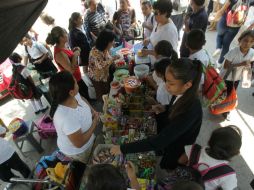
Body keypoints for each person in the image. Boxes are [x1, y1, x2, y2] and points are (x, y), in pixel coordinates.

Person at [111, 58, 203, 172]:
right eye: (166, 80)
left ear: (187, 85)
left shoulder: (190, 109)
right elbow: (175, 105)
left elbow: (159, 142)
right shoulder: (180, 93)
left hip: (178, 146)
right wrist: (165, 108)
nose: (166, 85)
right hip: (172, 136)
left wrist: (122, 149)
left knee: (170, 166)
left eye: (171, 83)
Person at [49, 71, 99, 163]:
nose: (77, 83)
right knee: (88, 165)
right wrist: (94, 123)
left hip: (89, 139)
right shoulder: (66, 118)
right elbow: (79, 143)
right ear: (71, 92)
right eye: (75, 82)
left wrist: (92, 111)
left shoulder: (72, 95)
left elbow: (82, 100)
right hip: (80, 152)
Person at [180, 126, 242, 190]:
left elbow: (180, 161)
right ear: (235, 153)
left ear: (209, 141)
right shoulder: (228, 174)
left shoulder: (194, 149)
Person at [46, 26, 90, 100]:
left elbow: (69, 58)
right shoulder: (59, 53)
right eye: (65, 33)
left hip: (77, 77)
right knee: (83, 99)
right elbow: (71, 70)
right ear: (61, 38)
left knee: (86, 92)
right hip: (73, 80)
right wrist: (76, 54)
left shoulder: (63, 46)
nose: (67, 34)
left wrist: (74, 51)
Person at [221, 30, 254, 119]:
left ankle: (226, 110)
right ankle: (220, 107)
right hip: (227, 76)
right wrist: (241, 64)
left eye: (251, 42)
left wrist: (248, 70)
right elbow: (225, 65)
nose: (248, 43)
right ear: (240, 40)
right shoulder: (233, 51)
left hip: (237, 77)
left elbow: (250, 62)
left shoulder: (252, 52)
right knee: (223, 92)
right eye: (246, 40)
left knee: (231, 92)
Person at [142, 0, 178, 65]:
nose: (154, 15)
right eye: (154, 12)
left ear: (166, 13)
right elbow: (155, 34)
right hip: (154, 61)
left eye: (157, 13)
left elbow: (167, 54)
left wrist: (149, 52)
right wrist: (149, 39)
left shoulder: (170, 31)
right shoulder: (159, 21)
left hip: (162, 66)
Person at [88, 29, 120, 101]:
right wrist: (113, 59)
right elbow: (101, 66)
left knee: (107, 91)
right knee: (101, 95)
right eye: (112, 41)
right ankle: (103, 107)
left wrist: (113, 62)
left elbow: (107, 58)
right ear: (106, 42)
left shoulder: (104, 48)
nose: (113, 43)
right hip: (97, 77)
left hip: (105, 75)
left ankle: (108, 100)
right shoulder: (95, 52)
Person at [212, 0, 241, 66]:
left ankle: (218, 48)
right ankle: (220, 62)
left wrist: (215, 17)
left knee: (219, 35)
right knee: (226, 44)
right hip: (236, 25)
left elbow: (222, 10)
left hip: (225, 21)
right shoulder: (247, 1)